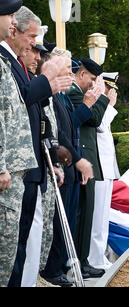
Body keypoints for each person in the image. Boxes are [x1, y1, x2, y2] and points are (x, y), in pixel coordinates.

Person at [1, 6, 71, 287]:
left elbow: (32, 112)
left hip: (26, 167)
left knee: (20, 247)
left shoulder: (11, 61)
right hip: (14, 170)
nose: (36, 47)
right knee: (11, 251)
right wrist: (47, 78)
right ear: (14, 28)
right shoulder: (6, 60)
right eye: (32, 39)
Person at [40, 49, 94, 286]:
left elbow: (69, 129)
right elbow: (59, 132)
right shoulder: (53, 96)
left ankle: (59, 266)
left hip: (69, 166)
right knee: (56, 223)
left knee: (67, 223)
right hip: (62, 164)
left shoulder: (61, 97)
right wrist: (77, 160)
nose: (71, 75)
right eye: (66, 71)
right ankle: (52, 269)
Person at [0, 0, 38, 287]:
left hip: (14, 171)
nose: (13, 22)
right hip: (5, 174)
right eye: (9, 15)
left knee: (10, 253)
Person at [66, 57, 110, 279]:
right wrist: (102, 97)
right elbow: (94, 119)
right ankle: (78, 262)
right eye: (91, 79)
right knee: (82, 212)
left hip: (87, 160)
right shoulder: (74, 93)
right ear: (81, 74)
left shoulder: (80, 92)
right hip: (80, 160)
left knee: (87, 213)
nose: (93, 85)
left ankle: (82, 261)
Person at [88, 72, 120, 270]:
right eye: (110, 89)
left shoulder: (104, 108)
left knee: (103, 216)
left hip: (106, 168)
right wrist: (108, 105)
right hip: (98, 167)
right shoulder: (100, 106)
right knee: (96, 216)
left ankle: (100, 255)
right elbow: (100, 125)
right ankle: (94, 257)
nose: (112, 93)